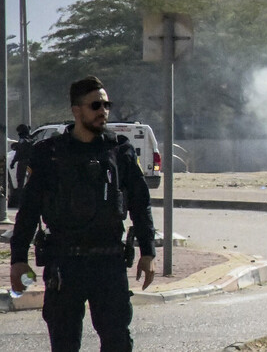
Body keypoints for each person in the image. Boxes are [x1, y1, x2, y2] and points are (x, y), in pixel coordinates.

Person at [9, 76, 157, 351]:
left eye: (106, 105)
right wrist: (18, 259)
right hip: (64, 264)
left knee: (117, 341)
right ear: (76, 111)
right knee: (64, 344)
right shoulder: (49, 154)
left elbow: (140, 203)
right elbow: (29, 210)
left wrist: (148, 252)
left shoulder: (119, 150)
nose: (103, 111)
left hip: (108, 263)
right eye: (95, 105)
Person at [8, 123, 32, 197]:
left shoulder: (22, 140)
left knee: (20, 182)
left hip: (22, 163)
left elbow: (18, 153)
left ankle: (21, 198)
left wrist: (13, 163)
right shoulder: (31, 139)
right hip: (30, 163)